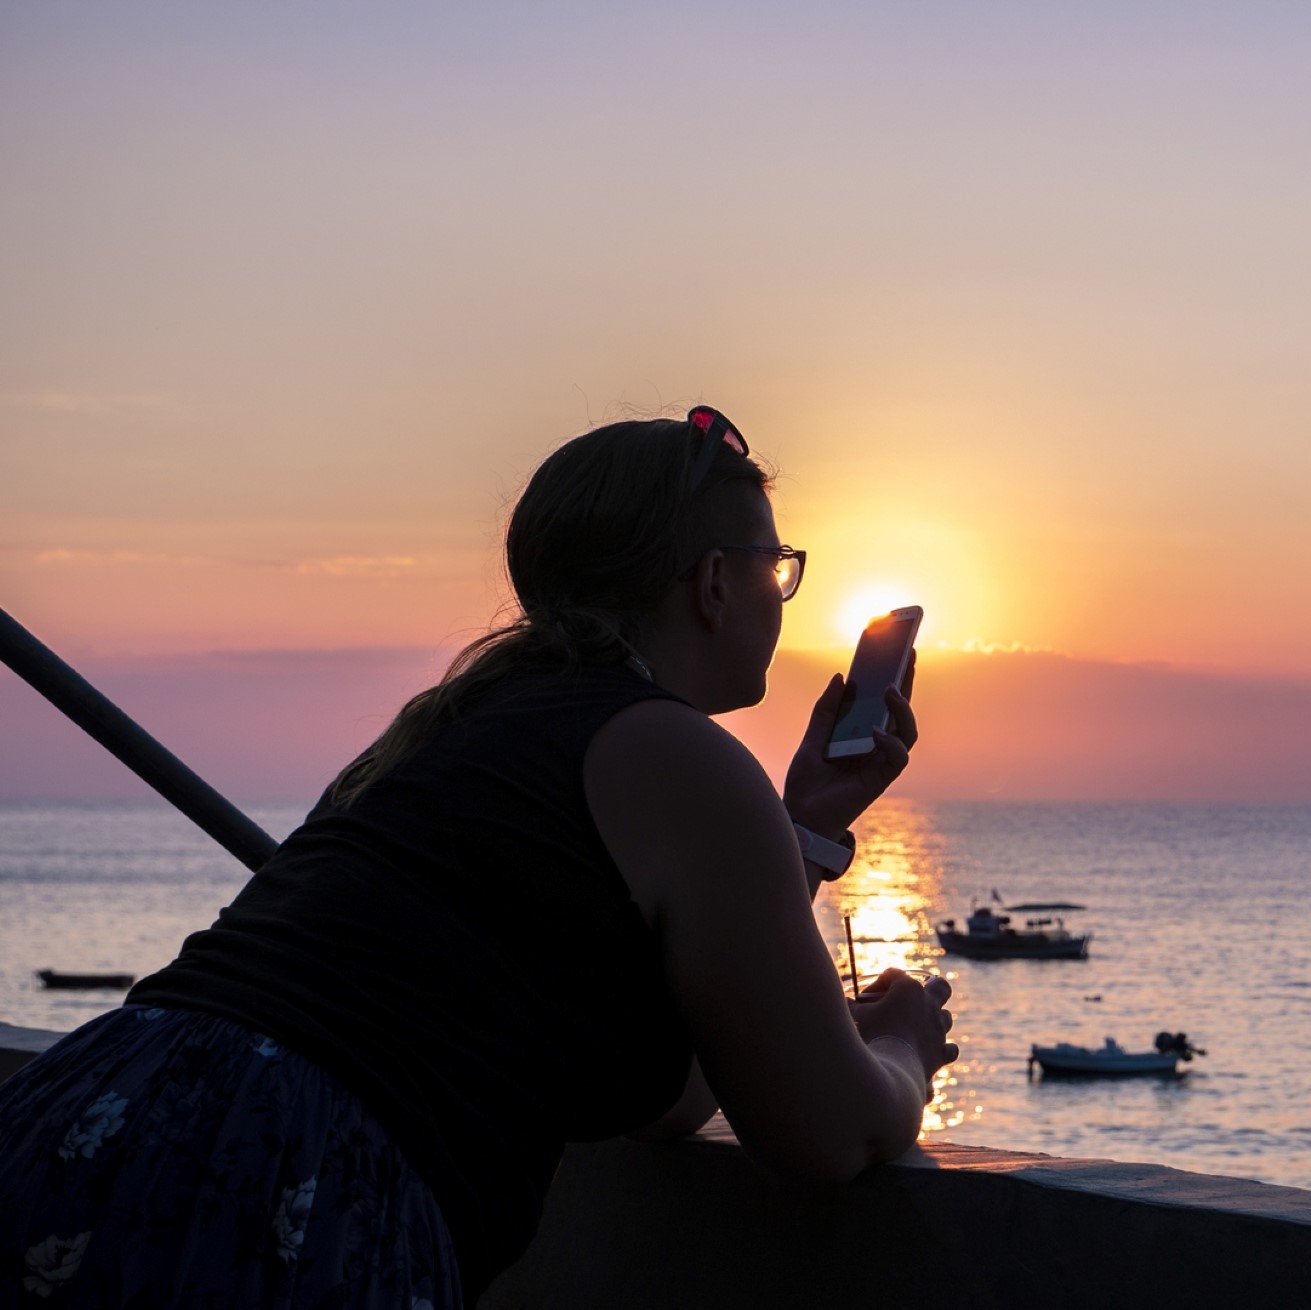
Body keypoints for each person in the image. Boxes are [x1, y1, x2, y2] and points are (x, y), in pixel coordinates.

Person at [0, 406, 956, 1307]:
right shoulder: (683, 757)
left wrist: (804, 830)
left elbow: (666, 1095)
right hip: (287, 1180)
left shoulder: (438, 732)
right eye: (776, 567)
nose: (780, 596)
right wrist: (903, 1051)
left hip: (90, 1114)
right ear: (712, 583)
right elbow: (825, 1133)